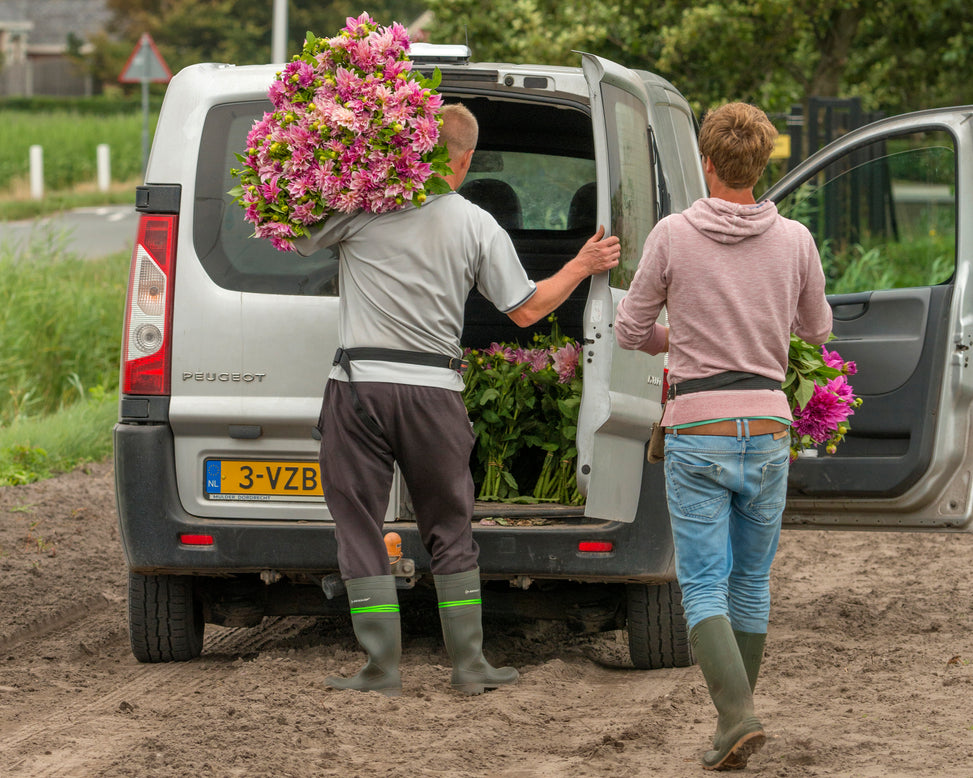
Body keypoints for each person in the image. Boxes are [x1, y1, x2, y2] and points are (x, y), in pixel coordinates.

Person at [295, 103, 620, 697]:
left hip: (359, 388)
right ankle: (469, 666)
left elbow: (294, 233)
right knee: (450, 525)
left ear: (412, 145)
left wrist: (346, 161)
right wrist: (579, 264)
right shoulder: (477, 224)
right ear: (466, 161)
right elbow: (525, 309)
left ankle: (380, 669)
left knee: (360, 522)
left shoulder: (366, 206)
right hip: (434, 393)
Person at [614, 102, 832, 770]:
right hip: (766, 424)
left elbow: (628, 329)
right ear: (761, 163)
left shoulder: (672, 236)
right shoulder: (794, 239)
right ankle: (731, 724)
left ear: (706, 163)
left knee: (703, 583)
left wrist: (676, 338)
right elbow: (816, 332)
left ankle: (735, 717)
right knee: (750, 583)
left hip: (696, 424)